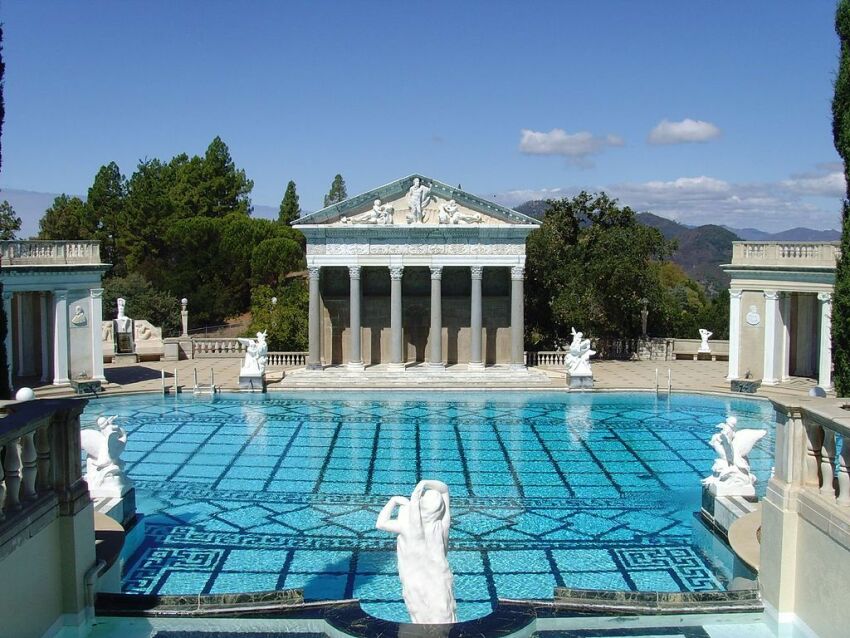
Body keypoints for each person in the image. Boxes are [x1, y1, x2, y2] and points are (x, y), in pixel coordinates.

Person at [376, 479, 456, 623]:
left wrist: (393, 501)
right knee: (445, 613)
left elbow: (380, 523)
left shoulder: (407, 527)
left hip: (415, 580)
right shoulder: (442, 524)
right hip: (440, 577)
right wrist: (424, 483)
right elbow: (444, 489)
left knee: (421, 617)